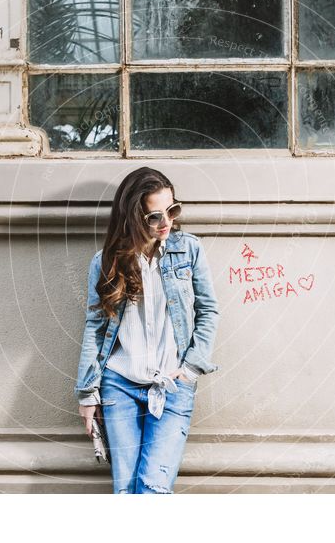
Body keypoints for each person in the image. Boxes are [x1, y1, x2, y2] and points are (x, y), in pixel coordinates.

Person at [75, 166, 219, 494]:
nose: (167, 222)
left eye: (172, 210)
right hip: (119, 387)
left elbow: (208, 311)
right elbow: (96, 327)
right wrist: (87, 393)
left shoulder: (189, 250)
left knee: (152, 488)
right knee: (126, 491)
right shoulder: (105, 261)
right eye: (155, 216)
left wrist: (191, 368)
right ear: (133, 218)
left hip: (172, 385)